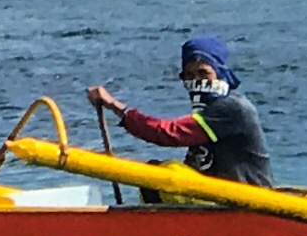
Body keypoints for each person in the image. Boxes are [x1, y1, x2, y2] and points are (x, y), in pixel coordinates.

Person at [86, 32, 272, 187]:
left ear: (220, 73)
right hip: (218, 197)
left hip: (248, 199)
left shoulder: (233, 108)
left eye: (203, 73)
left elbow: (169, 133)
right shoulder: (208, 110)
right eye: (189, 75)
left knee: (164, 174)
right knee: (155, 175)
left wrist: (116, 107)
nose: (197, 81)